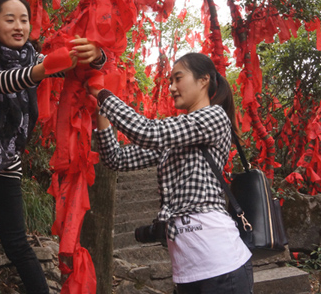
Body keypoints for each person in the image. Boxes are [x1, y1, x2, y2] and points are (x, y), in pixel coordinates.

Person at [0, 0, 105, 294]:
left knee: (16, 239)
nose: (19, 26)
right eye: (9, 19)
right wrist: (43, 70)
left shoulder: (34, 58)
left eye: (24, 19)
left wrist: (95, 54)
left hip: (6, 158)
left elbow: (77, 68)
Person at [88, 52, 253, 294]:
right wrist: (100, 115)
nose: (171, 87)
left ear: (203, 80)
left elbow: (147, 131)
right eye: (170, 81)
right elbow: (117, 159)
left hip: (222, 265)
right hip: (187, 272)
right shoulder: (178, 139)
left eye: (178, 78)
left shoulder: (214, 117)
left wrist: (102, 94)